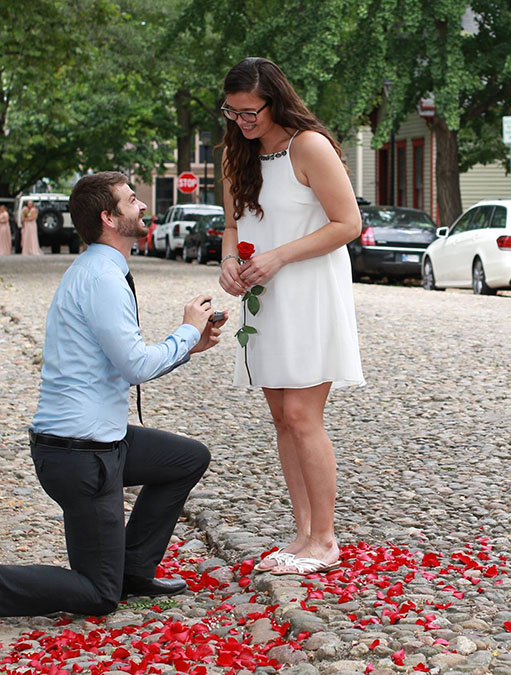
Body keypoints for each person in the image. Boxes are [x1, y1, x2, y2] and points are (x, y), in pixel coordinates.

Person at [0, 171, 227, 637]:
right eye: (131, 200)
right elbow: (135, 365)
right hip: (80, 457)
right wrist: (187, 330)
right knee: (97, 594)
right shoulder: (101, 278)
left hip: (99, 442)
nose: (142, 205)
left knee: (187, 458)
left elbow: (124, 361)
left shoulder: (100, 269)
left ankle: (133, 570)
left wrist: (189, 347)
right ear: (109, 218)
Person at [217, 57, 364, 576]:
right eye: (232, 112)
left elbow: (348, 223)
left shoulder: (309, 146)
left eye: (249, 112)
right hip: (266, 298)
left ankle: (325, 539)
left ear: (275, 101)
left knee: (303, 416)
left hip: (310, 293)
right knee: (282, 418)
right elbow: (232, 227)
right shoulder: (236, 155)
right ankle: (302, 534)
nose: (241, 121)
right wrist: (228, 262)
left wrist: (279, 256)